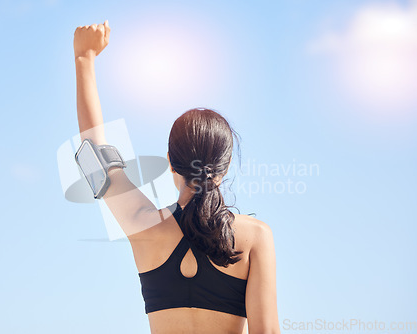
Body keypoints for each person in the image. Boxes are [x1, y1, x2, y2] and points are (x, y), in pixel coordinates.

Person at [73, 20, 280, 334]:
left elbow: (95, 157)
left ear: (170, 162)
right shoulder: (255, 237)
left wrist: (84, 57)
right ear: (223, 169)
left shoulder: (144, 225)